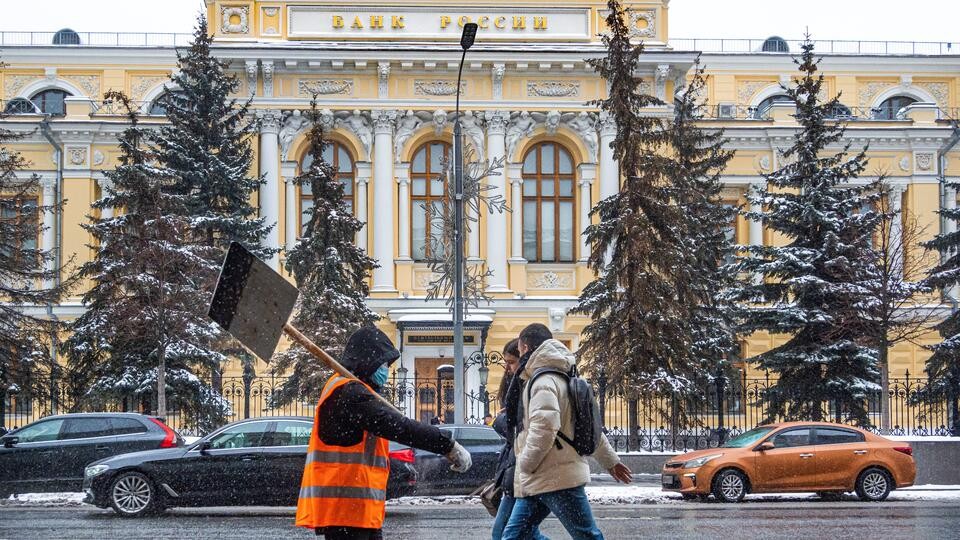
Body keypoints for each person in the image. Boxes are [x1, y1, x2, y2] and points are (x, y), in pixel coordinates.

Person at [296, 326, 473, 539]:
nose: (386, 370)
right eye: (383, 364)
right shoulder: (350, 393)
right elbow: (398, 426)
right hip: (347, 509)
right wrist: (446, 444)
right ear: (367, 362)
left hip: (354, 510)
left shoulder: (351, 389)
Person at [502, 324, 633, 540]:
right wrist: (610, 460)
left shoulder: (543, 381)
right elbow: (586, 427)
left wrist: (526, 463)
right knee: (515, 536)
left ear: (524, 347)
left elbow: (545, 428)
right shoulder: (563, 376)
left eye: (520, 348)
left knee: (586, 536)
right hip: (542, 476)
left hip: (555, 475)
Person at [491, 339, 545, 540]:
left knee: (506, 534)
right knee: (524, 533)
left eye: (511, 362)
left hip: (524, 471)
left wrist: (500, 420)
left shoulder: (531, 385)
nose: (506, 368)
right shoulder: (516, 385)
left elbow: (522, 429)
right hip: (515, 469)